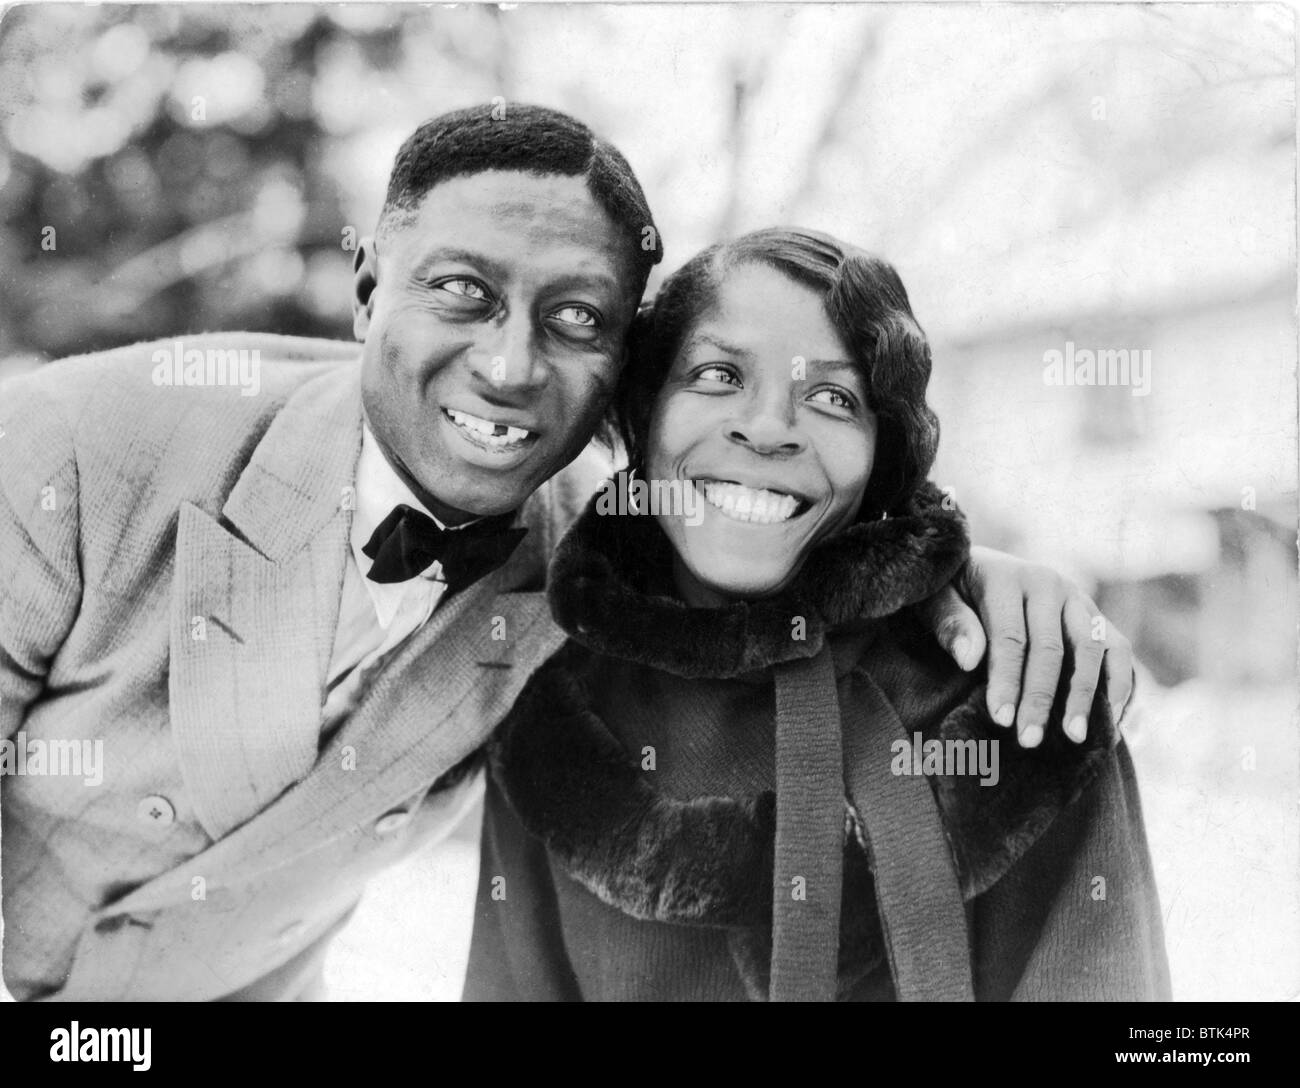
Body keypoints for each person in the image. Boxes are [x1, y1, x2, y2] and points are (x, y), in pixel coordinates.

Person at [0, 105, 1133, 1002]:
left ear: (613, 392)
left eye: (579, 319)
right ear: (365, 293)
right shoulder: (73, 452)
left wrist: (960, 569)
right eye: (462, 290)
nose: (509, 365)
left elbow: (775, 508)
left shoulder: (601, 555)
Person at [465, 228, 1168, 1002]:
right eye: (717, 374)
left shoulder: (1023, 690)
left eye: (834, 398)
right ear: (643, 414)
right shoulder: (555, 723)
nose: (768, 428)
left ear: (883, 457)